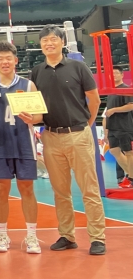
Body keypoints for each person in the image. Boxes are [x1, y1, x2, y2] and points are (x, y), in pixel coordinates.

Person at [31, 25, 106, 255]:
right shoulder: (37, 71)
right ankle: (67, 235)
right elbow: (33, 103)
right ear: (40, 44)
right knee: (60, 191)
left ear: (62, 42)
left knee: (89, 189)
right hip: (51, 136)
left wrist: (86, 125)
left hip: (78, 134)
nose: (49, 43)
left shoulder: (78, 67)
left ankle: (97, 238)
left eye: (53, 39)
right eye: (45, 40)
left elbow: (94, 100)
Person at [0, 41, 42, 253]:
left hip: (24, 144)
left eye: (8, 58)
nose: (4, 62)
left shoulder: (28, 85)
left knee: (27, 189)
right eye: (0, 59)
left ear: (15, 60)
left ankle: (32, 236)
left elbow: (39, 116)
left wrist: (31, 118)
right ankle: (2, 235)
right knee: (1, 190)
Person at [104, 66, 133, 187]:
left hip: (124, 126)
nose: (114, 75)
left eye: (116, 73)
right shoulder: (111, 91)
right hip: (112, 126)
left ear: (122, 75)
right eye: (112, 73)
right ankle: (131, 174)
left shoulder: (125, 89)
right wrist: (106, 131)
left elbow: (131, 106)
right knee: (114, 150)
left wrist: (115, 110)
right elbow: (106, 113)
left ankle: (131, 177)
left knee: (128, 152)